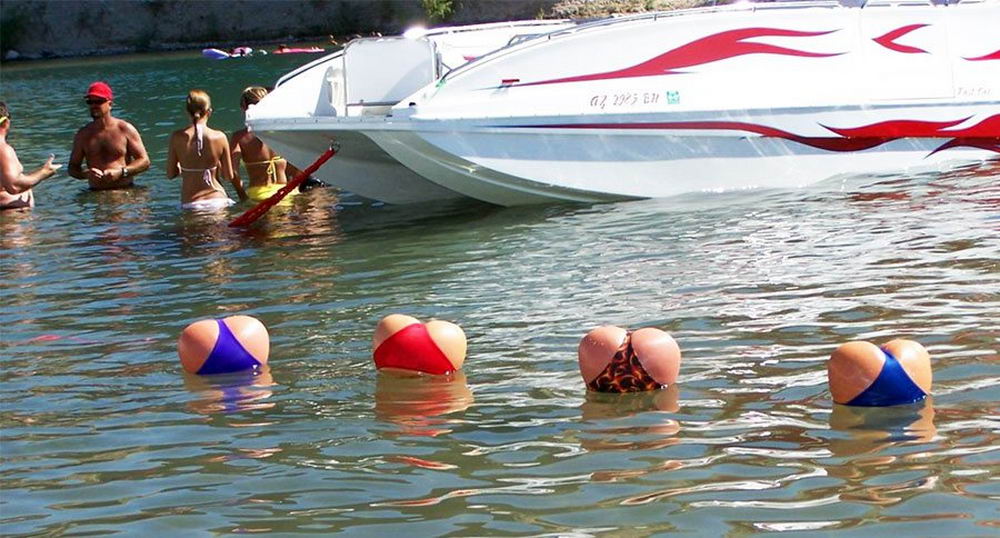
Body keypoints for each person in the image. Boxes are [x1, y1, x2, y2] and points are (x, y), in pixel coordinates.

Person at [230, 86, 326, 202]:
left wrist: (242, 196)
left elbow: (233, 172)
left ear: (244, 107)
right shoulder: (282, 133)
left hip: (259, 194)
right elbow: (298, 165)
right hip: (285, 193)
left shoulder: (239, 137)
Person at [166, 90, 247, 210]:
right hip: (218, 199)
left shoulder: (177, 137)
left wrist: (184, 167)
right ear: (209, 112)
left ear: (187, 112)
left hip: (191, 202)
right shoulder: (219, 137)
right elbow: (228, 176)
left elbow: (170, 174)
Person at [68, 81, 150, 190]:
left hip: (125, 190)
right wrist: (86, 174)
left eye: (98, 101)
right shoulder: (83, 134)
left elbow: (144, 161)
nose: (94, 105)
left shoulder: (125, 129)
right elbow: (72, 168)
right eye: (90, 102)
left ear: (110, 104)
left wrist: (122, 172)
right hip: (96, 192)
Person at [0, 102, 61, 210]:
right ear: (6, 122)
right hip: (11, 216)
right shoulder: (3, 149)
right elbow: (14, 186)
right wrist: (44, 172)